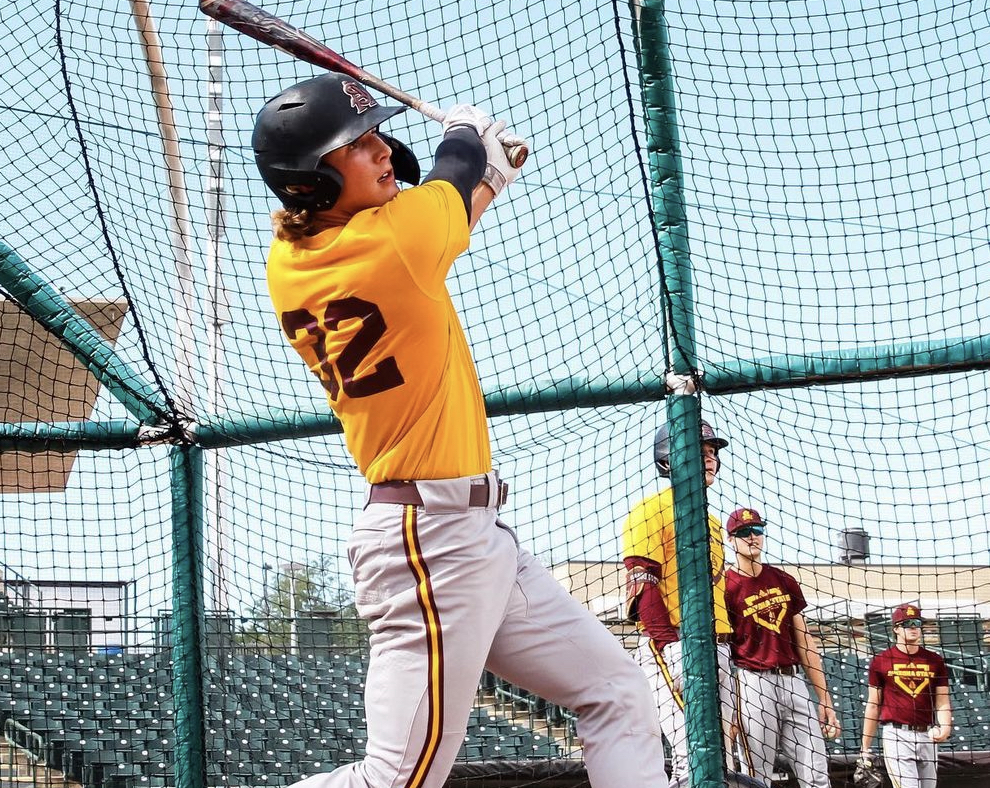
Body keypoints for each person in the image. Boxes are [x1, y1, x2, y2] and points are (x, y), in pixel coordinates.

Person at [255, 72, 668, 788]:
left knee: (617, 693)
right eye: (358, 144)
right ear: (312, 183)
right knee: (397, 779)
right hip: (428, 542)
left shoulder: (294, 261)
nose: (383, 149)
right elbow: (450, 176)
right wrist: (465, 135)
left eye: (377, 134)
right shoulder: (395, 245)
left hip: (472, 538)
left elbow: (444, 216)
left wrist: (487, 173)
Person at [622, 419, 737, 787]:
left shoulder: (713, 521)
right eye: (700, 451)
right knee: (691, 752)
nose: (710, 459)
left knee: (719, 755)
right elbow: (643, 583)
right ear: (669, 459)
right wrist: (668, 644)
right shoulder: (650, 509)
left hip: (717, 645)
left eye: (712, 452)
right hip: (674, 641)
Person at [723, 507, 840, 788]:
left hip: (793, 679)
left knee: (816, 774)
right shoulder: (725, 586)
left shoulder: (783, 580)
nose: (752, 538)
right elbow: (724, 650)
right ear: (731, 539)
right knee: (756, 776)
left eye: (757, 531)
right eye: (743, 533)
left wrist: (824, 698)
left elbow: (804, 639)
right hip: (752, 682)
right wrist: (731, 706)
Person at [858, 604, 952, 788]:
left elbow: (942, 700)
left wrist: (946, 726)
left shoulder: (935, 660)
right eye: (907, 623)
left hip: (927, 735)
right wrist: (865, 747)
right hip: (897, 735)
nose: (914, 627)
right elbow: (873, 705)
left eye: (917, 623)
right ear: (896, 629)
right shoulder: (881, 660)